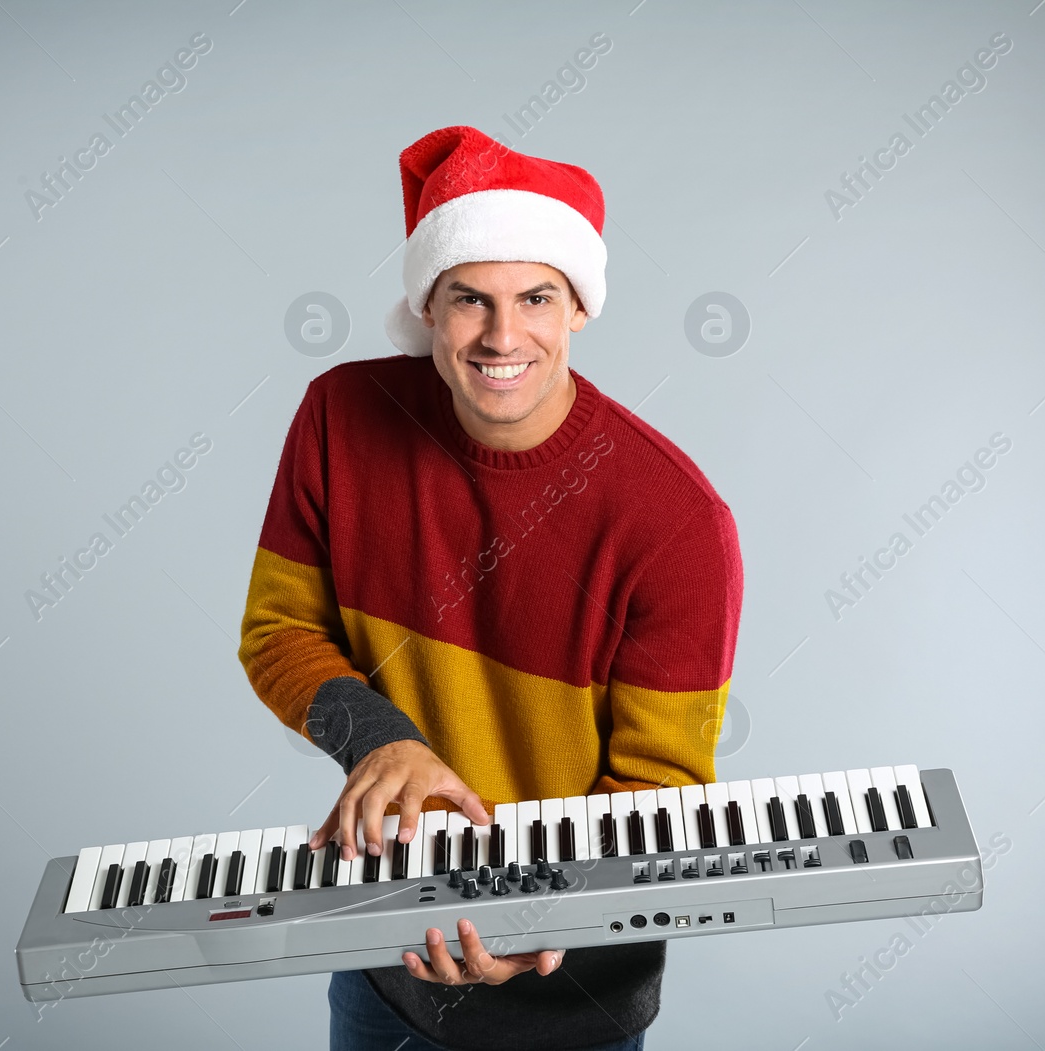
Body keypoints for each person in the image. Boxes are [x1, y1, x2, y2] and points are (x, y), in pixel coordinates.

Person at [239, 125, 743, 1051]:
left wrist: (527, 920)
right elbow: (277, 631)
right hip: (384, 956)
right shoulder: (338, 419)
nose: (502, 336)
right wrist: (381, 742)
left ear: (579, 307)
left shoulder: (676, 522)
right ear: (429, 303)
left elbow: (658, 795)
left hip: (575, 988)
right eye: (470, 298)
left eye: (535, 298)